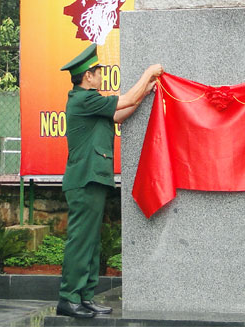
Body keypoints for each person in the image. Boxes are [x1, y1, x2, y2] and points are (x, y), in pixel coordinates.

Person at [56, 43, 163, 319]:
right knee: (81, 240)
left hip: (93, 179)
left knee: (91, 242)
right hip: (84, 180)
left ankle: (85, 297)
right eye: (98, 72)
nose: (101, 75)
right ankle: (69, 297)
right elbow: (123, 100)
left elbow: (119, 114)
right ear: (87, 76)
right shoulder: (83, 99)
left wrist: (144, 94)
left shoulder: (90, 102)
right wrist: (148, 73)